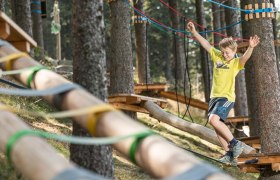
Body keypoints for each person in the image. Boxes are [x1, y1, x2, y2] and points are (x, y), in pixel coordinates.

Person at [187, 21, 260, 166]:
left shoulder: (236, 63)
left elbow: (245, 58)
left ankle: (235, 143)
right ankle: (230, 155)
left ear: (234, 51)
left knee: (213, 120)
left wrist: (250, 47)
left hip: (226, 98)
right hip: (214, 97)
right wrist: (194, 32)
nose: (225, 54)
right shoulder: (218, 56)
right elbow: (206, 44)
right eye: (223, 52)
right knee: (216, 124)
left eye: (228, 52)